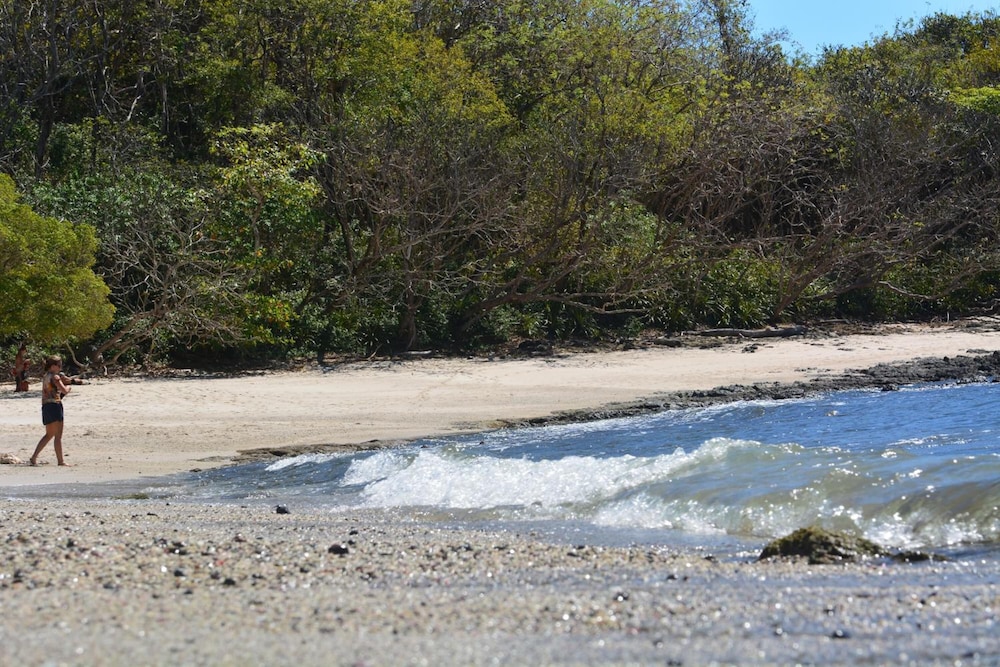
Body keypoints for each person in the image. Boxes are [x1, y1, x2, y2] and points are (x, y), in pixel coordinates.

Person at [29, 356, 72, 466]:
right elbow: (64, 390)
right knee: (58, 435)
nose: (60, 367)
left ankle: (34, 457)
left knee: (49, 434)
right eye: (58, 365)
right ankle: (60, 461)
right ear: (53, 366)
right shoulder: (55, 377)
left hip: (46, 406)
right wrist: (68, 388)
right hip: (55, 405)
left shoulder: (46, 376)